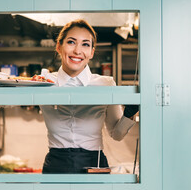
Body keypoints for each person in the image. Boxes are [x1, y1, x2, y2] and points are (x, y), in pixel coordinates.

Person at [40, 19, 138, 174]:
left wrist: (129, 114)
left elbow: (117, 134)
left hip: (95, 164)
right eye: (71, 42)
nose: (78, 51)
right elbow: (6, 102)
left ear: (92, 52)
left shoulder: (106, 84)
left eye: (85, 44)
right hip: (56, 166)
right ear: (59, 46)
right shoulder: (44, 82)